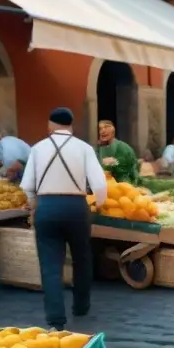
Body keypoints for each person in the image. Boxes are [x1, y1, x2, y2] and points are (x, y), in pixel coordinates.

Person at [21, 108, 107, 329]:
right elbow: (99, 184)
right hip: (76, 207)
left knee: (50, 264)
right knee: (82, 257)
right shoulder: (84, 148)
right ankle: (81, 306)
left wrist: (33, 207)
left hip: (47, 207)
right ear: (72, 125)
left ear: (50, 126)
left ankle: (56, 319)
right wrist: (99, 203)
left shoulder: (38, 148)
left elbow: (28, 186)